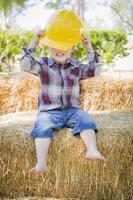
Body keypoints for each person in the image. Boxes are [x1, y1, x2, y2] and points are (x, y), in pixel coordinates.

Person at [20, 10, 105, 175]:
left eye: (65, 45)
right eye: (56, 45)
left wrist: (89, 49)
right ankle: (42, 163)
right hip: (49, 111)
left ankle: (92, 149)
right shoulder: (43, 64)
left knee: (85, 118)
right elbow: (25, 65)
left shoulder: (76, 66)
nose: (60, 49)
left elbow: (95, 71)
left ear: (72, 47)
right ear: (49, 46)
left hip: (72, 111)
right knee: (42, 126)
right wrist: (34, 42)